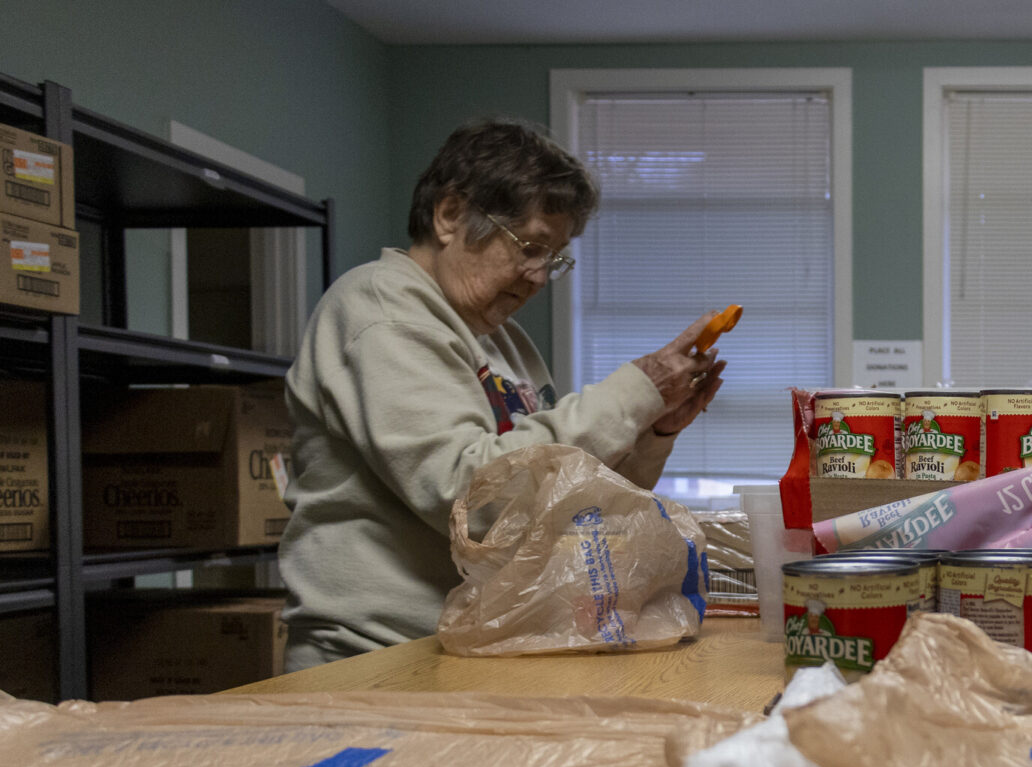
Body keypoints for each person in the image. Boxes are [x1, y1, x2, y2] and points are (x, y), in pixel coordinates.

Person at [279, 117, 728, 671]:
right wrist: (635, 391)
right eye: (531, 246)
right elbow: (473, 501)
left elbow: (564, 499)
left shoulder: (501, 339)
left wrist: (654, 428)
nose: (539, 277)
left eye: (554, 257)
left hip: (466, 647)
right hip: (371, 657)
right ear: (449, 216)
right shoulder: (382, 312)